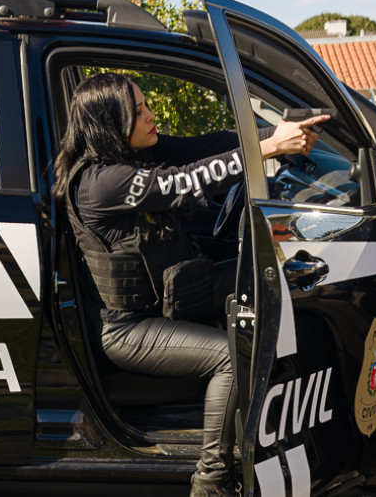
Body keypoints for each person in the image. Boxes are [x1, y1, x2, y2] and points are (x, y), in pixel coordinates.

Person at [52, 73, 327, 497]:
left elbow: (205, 147)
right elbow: (186, 181)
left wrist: (276, 132)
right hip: (129, 329)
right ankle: (212, 478)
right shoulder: (102, 181)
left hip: (171, 297)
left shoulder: (130, 154)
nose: (151, 116)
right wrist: (268, 149)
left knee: (263, 275)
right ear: (110, 122)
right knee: (226, 356)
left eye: (145, 106)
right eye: (138, 111)